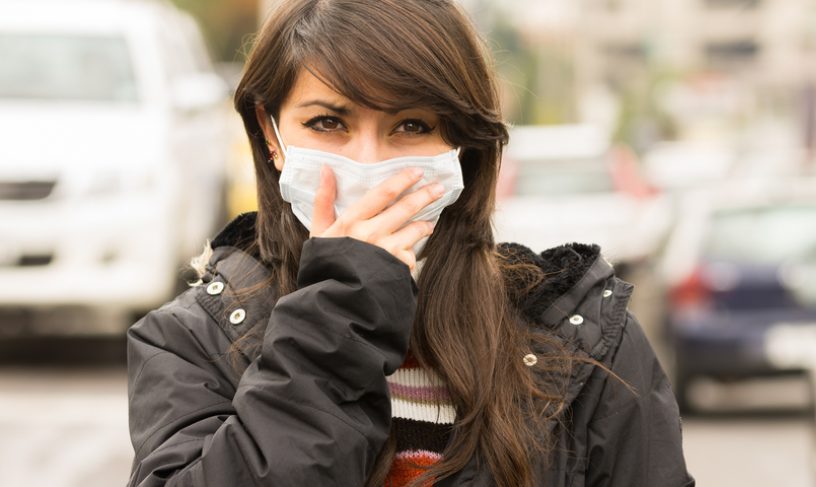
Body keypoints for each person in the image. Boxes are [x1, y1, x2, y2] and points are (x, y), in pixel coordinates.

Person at [125, 1, 694, 486]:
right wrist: (334, 324)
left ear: (463, 148)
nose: (368, 163)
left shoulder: (586, 340)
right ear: (270, 134)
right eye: (328, 123)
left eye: (412, 126)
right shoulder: (190, 340)